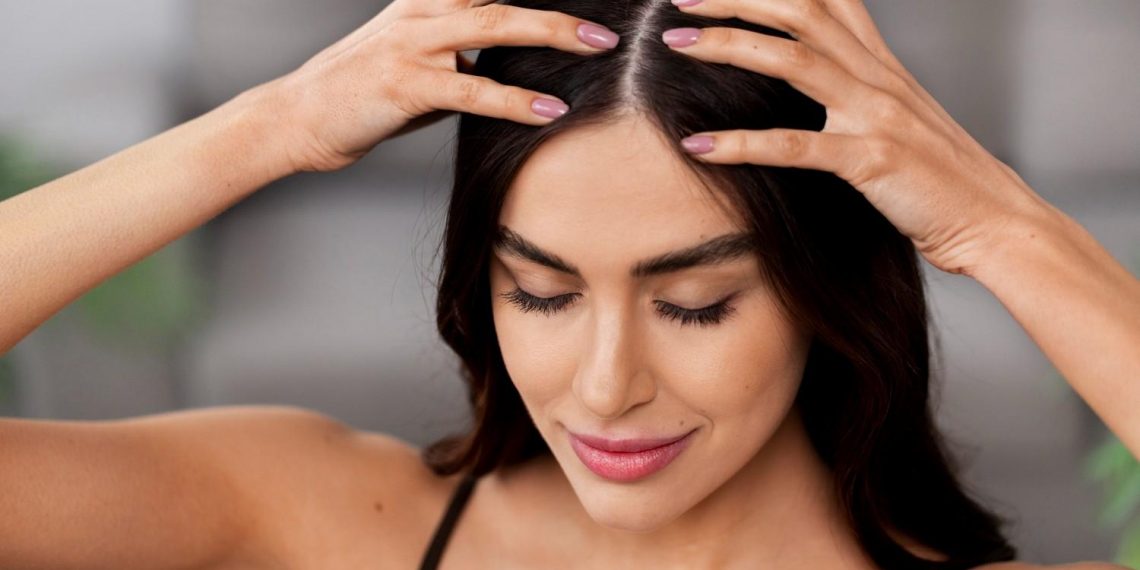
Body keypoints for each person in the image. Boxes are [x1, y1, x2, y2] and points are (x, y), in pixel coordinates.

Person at [0, 0, 1136, 568]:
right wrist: (269, 128)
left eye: (695, 303)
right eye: (540, 293)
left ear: (820, 288)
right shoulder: (317, 516)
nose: (604, 386)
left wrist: (1001, 224)